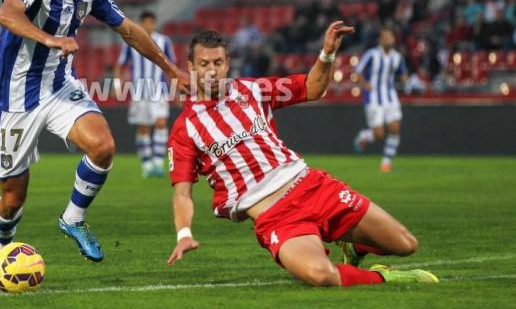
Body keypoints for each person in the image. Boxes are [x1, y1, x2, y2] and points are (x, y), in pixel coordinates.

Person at [0, 0, 189, 284]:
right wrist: (50, 40)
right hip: (14, 98)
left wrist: (170, 68)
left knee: (103, 146)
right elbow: (7, 14)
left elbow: (127, 29)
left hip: (60, 86)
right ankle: (0, 247)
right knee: (13, 199)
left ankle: (73, 219)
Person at [166, 28, 437, 287]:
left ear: (228, 63)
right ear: (190, 67)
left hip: (312, 187)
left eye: (218, 62)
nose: (212, 71)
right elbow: (182, 192)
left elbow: (312, 88)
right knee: (321, 275)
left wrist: (328, 53)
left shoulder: (253, 89)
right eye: (203, 64)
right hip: (276, 218)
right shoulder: (185, 128)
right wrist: (184, 234)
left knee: (405, 244)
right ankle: (387, 279)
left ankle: (353, 246)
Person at [113, 10, 176, 177]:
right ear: (141, 23)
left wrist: (175, 89)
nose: (148, 25)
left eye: (151, 22)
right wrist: (117, 84)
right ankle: (146, 165)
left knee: (161, 123)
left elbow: (172, 66)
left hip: (159, 89)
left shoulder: (164, 41)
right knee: (143, 127)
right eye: (145, 22)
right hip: (139, 90)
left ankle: (157, 163)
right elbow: (120, 65)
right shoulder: (131, 41)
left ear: (154, 24)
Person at [353, 28, 408, 172]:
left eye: (391, 37)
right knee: (378, 135)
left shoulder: (397, 57)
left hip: (390, 97)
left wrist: (407, 80)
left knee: (395, 129)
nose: (389, 39)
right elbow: (358, 72)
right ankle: (363, 136)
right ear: (381, 40)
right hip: (373, 99)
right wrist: (365, 84)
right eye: (386, 37)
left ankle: (386, 161)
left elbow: (403, 74)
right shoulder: (371, 55)